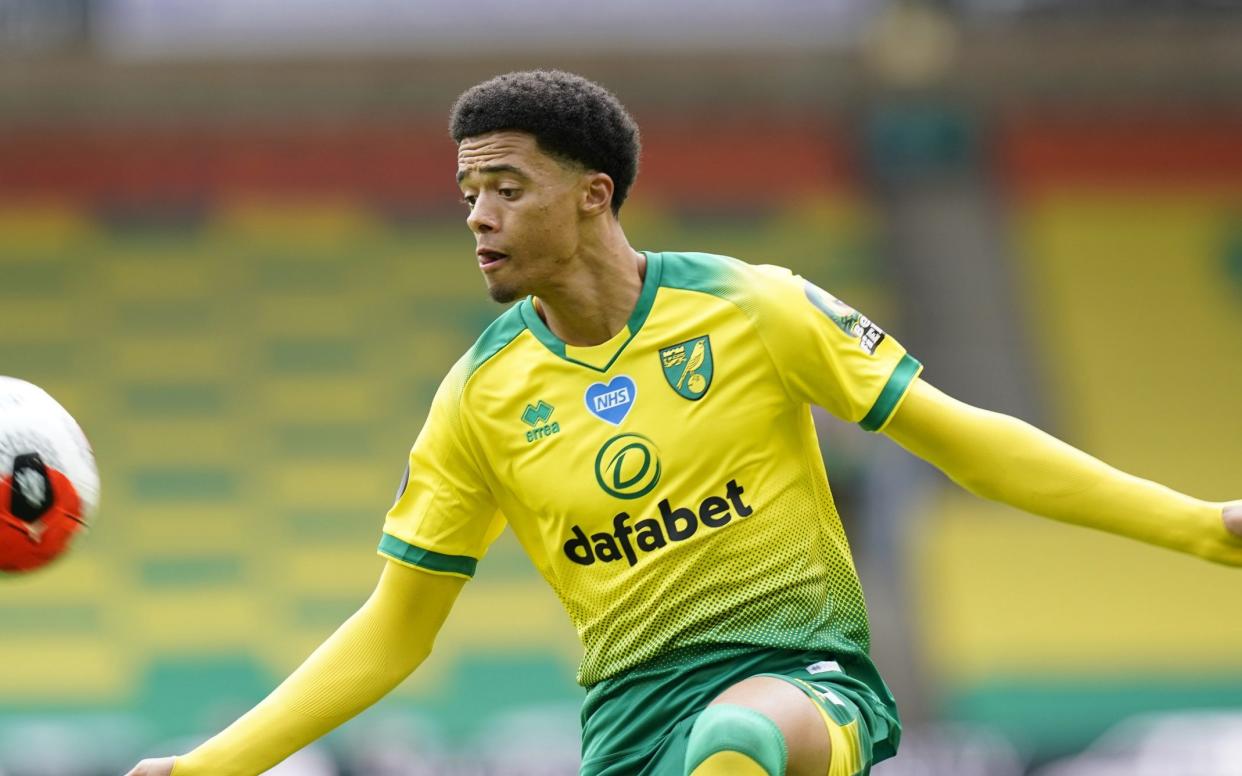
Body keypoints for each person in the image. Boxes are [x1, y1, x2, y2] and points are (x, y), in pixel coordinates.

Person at [126, 70, 1242, 776]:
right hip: (628, 729)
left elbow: (964, 440)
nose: (476, 214)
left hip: (803, 679)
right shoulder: (480, 397)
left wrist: (1199, 524)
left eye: (506, 185)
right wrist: (211, 766)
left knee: (739, 737)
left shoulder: (755, 306)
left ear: (594, 195)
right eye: (467, 190)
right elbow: (396, 627)